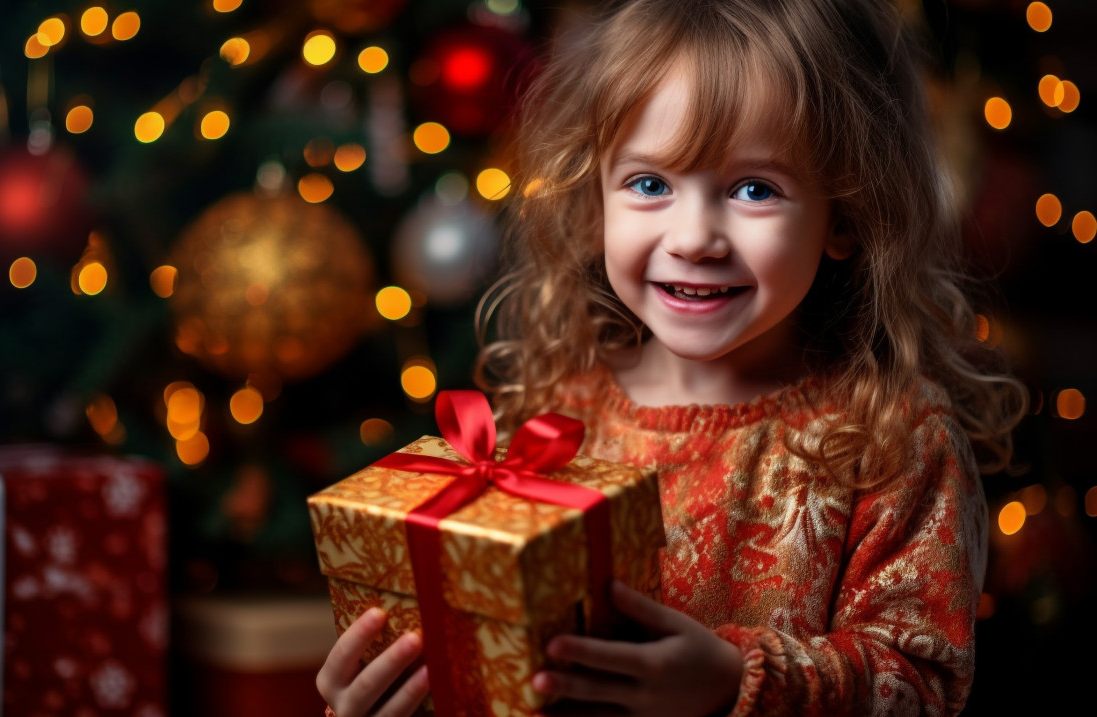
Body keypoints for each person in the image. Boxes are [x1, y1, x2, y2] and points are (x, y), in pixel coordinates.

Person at [316, 0, 1028, 714]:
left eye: (755, 189)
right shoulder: (552, 417)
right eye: (651, 184)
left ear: (844, 214)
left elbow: (922, 682)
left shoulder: (892, 442)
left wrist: (732, 680)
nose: (694, 238)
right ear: (594, 200)